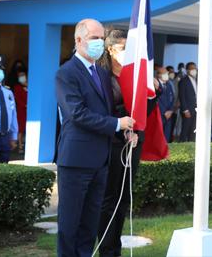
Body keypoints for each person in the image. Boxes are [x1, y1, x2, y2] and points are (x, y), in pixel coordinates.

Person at [55, 19, 134, 257]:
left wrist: (125, 129)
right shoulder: (66, 73)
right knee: (70, 225)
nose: (99, 43)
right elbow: (77, 114)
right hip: (76, 161)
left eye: (101, 38)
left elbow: (107, 111)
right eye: (94, 38)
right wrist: (115, 124)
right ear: (79, 40)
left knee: (90, 225)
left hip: (101, 161)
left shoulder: (100, 72)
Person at [96, 29, 155, 257]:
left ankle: (115, 248)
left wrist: (153, 94)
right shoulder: (102, 76)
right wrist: (123, 126)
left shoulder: (134, 74)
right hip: (111, 142)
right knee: (109, 199)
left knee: (123, 198)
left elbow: (142, 108)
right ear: (110, 49)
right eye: (122, 49)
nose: (126, 54)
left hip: (132, 142)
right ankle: (107, 249)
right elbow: (105, 110)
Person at [179, 62, 197, 142]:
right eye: (192, 68)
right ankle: (181, 147)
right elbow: (182, 97)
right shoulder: (183, 81)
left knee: (193, 131)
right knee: (185, 130)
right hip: (188, 110)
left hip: (195, 109)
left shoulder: (197, 80)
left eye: (195, 68)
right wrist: (185, 110)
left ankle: (190, 146)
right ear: (187, 70)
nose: (194, 70)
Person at [157, 66, 176, 142]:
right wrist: (164, 112)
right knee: (158, 135)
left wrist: (170, 111)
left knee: (166, 136)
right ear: (159, 75)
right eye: (164, 73)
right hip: (159, 114)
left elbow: (172, 98)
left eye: (167, 73)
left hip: (168, 115)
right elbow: (156, 100)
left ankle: (165, 151)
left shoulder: (169, 85)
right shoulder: (155, 84)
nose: (167, 75)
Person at [13, 70, 28, 154]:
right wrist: (24, 105)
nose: (22, 77)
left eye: (23, 75)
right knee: (21, 128)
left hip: (31, 110)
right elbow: (17, 99)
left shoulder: (31, 84)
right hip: (21, 110)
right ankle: (20, 145)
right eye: (20, 76)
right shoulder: (17, 87)